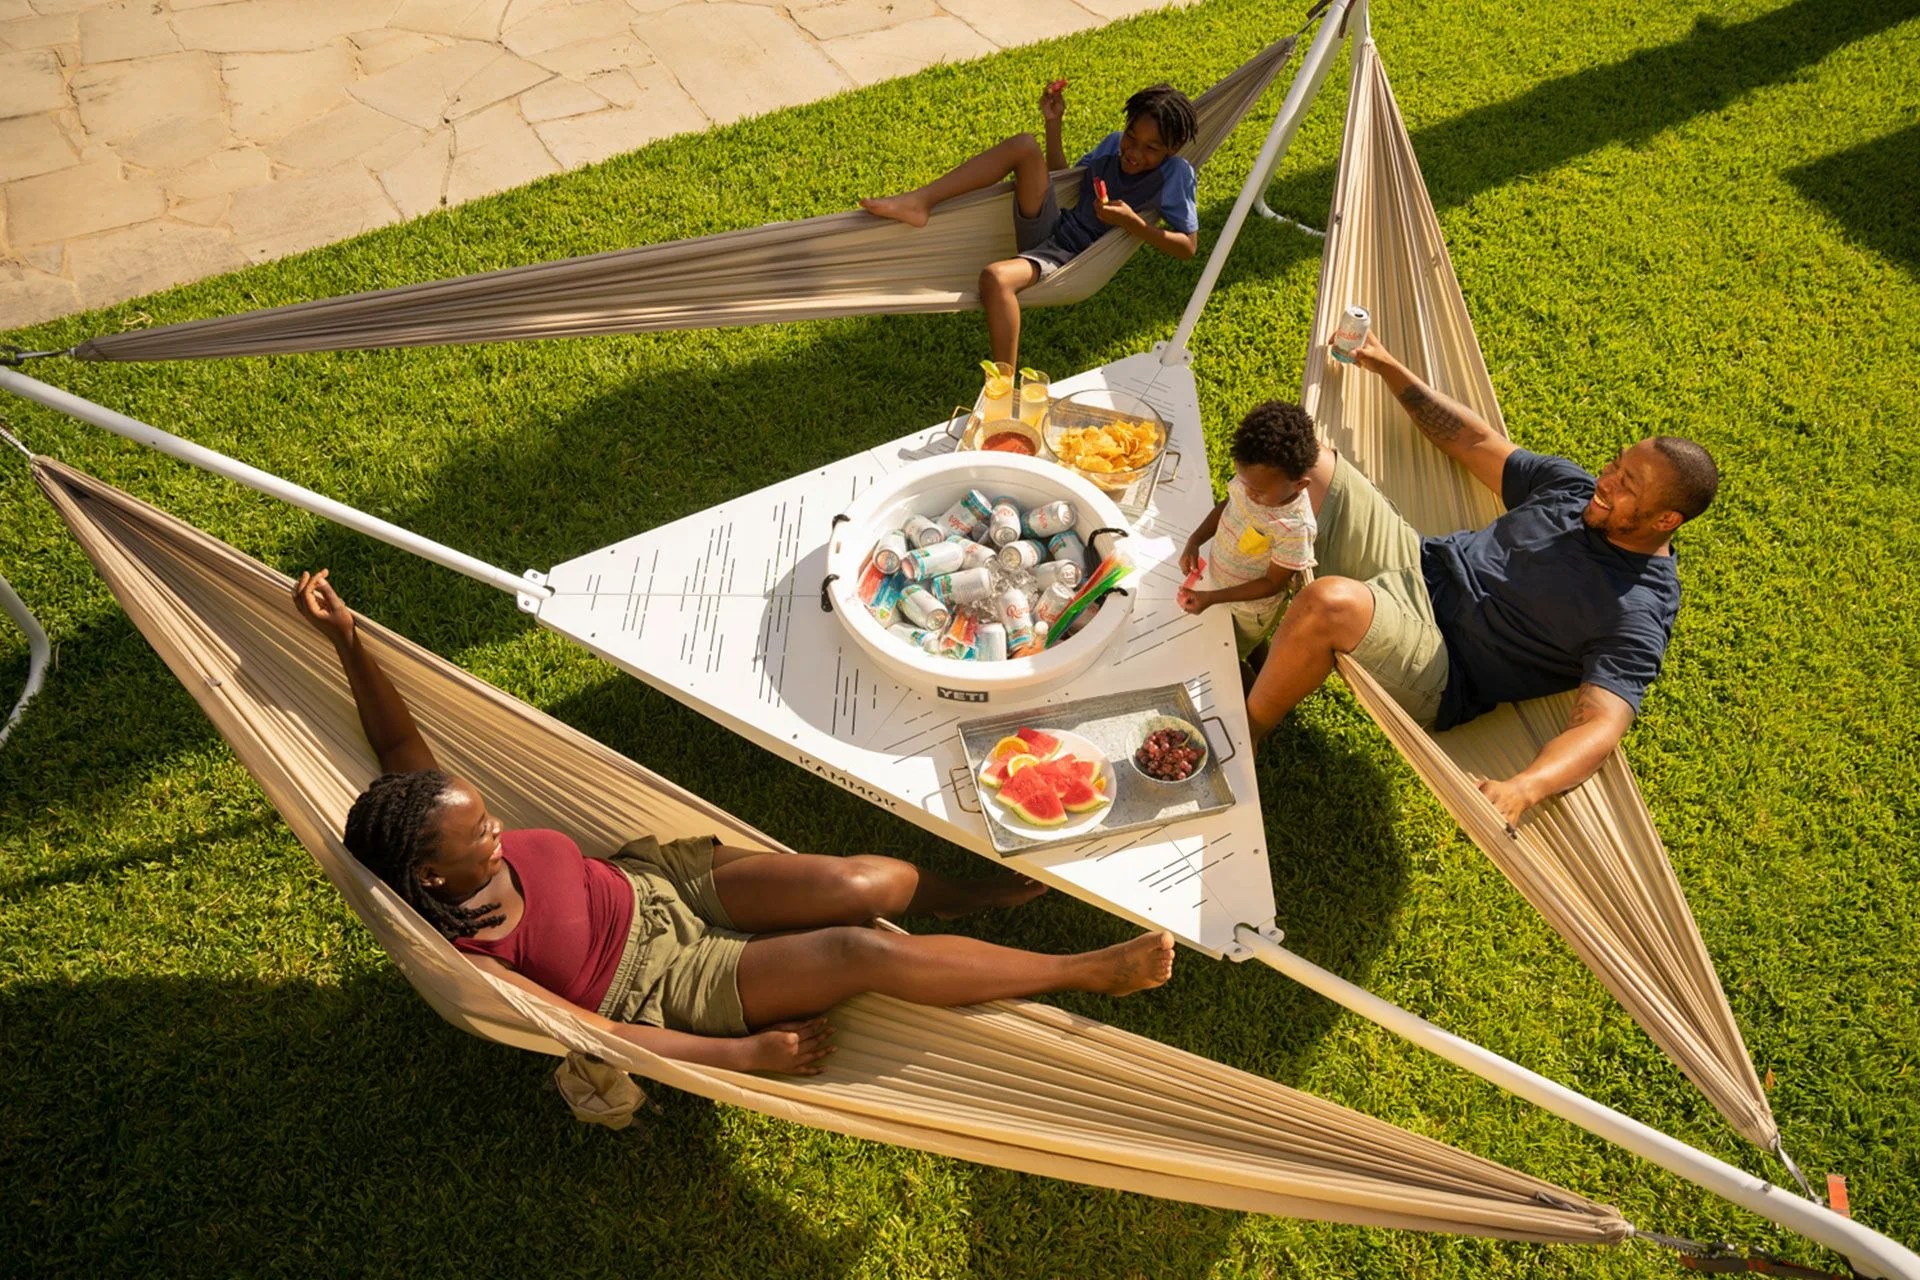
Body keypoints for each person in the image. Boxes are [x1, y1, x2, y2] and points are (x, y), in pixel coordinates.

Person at [292, 570, 1174, 1076]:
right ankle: (1086, 972)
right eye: (480, 834)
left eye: (487, 815)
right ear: (433, 876)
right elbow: (597, 1034)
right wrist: (743, 1059)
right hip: (661, 980)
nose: (495, 829)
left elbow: (397, 742)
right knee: (858, 948)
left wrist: (346, 640)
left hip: (658, 881)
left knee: (864, 881)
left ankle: (960, 896)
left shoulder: (428, 817)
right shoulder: (472, 958)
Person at [1246, 331, 1719, 827]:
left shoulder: (1637, 608)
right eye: (1616, 465)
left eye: (1627, 486)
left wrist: (1525, 787)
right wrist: (1388, 367)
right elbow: (1472, 441)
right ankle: (1246, 624)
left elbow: (1601, 723)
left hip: (1442, 659)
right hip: (1416, 562)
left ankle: (1248, 731)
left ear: (1667, 519)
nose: (1605, 481)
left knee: (1328, 603)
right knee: (1307, 465)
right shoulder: (1573, 489)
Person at [861, 80, 1200, 371]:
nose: (1134, 152)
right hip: (1054, 226)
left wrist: (1133, 223)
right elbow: (1063, 179)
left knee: (996, 278)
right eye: (1131, 137)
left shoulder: (1175, 175)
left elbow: (1187, 247)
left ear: (1173, 149)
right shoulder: (1113, 145)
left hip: (1074, 258)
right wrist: (1054, 123)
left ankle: (1003, 385)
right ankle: (921, 201)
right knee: (1024, 144)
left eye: (1151, 148)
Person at [1176, 401, 1319, 663]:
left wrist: (1213, 598)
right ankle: (1259, 655)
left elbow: (1272, 583)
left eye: (1258, 491)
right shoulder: (1252, 481)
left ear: (1299, 484)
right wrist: (1195, 540)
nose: (1248, 493)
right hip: (1218, 590)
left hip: (1249, 612)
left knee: (1232, 655)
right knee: (1238, 643)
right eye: (1244, 483)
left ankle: (1254, 676)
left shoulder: (1294, 528)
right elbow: (1228, 505)